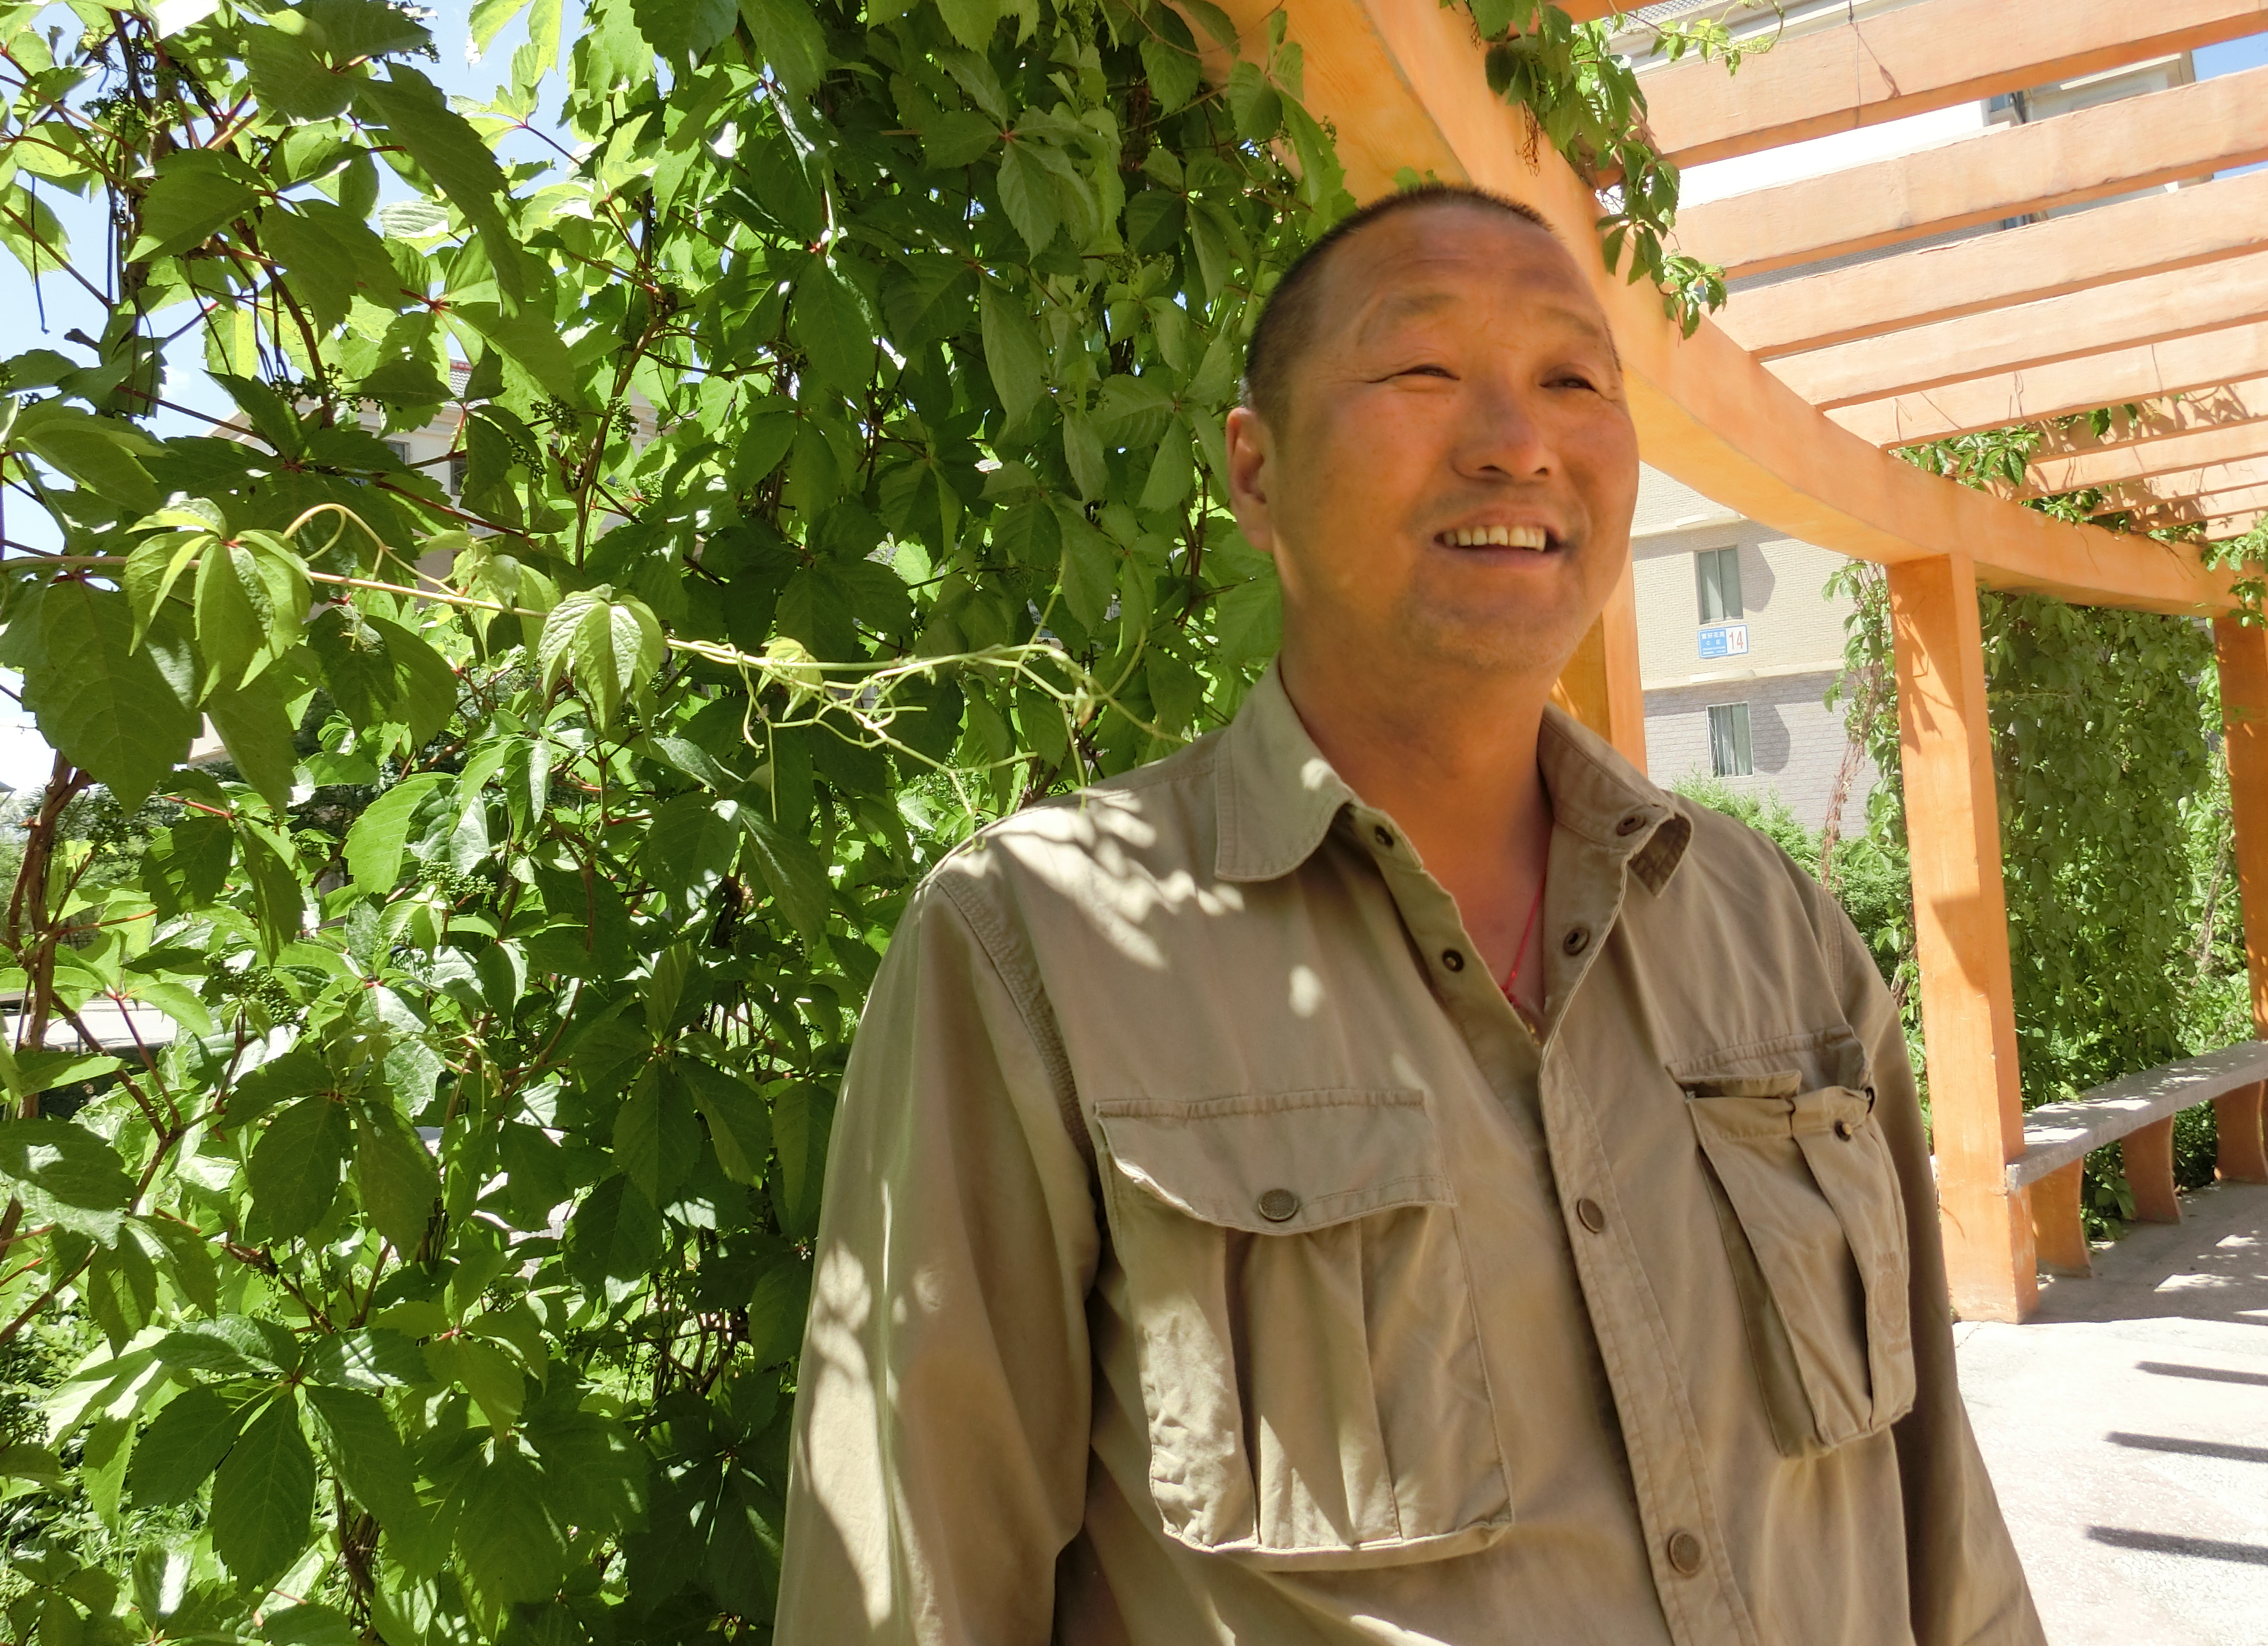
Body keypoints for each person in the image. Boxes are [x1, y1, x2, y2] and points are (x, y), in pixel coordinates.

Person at [776, 185, 2046, 1645]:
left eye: (1574, 381)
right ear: (1256, 473)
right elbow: (918, 1590)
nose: (1517, 442)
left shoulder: (1779, 933)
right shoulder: (1035, 949)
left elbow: (1939, 1517)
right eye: (1425, 369)